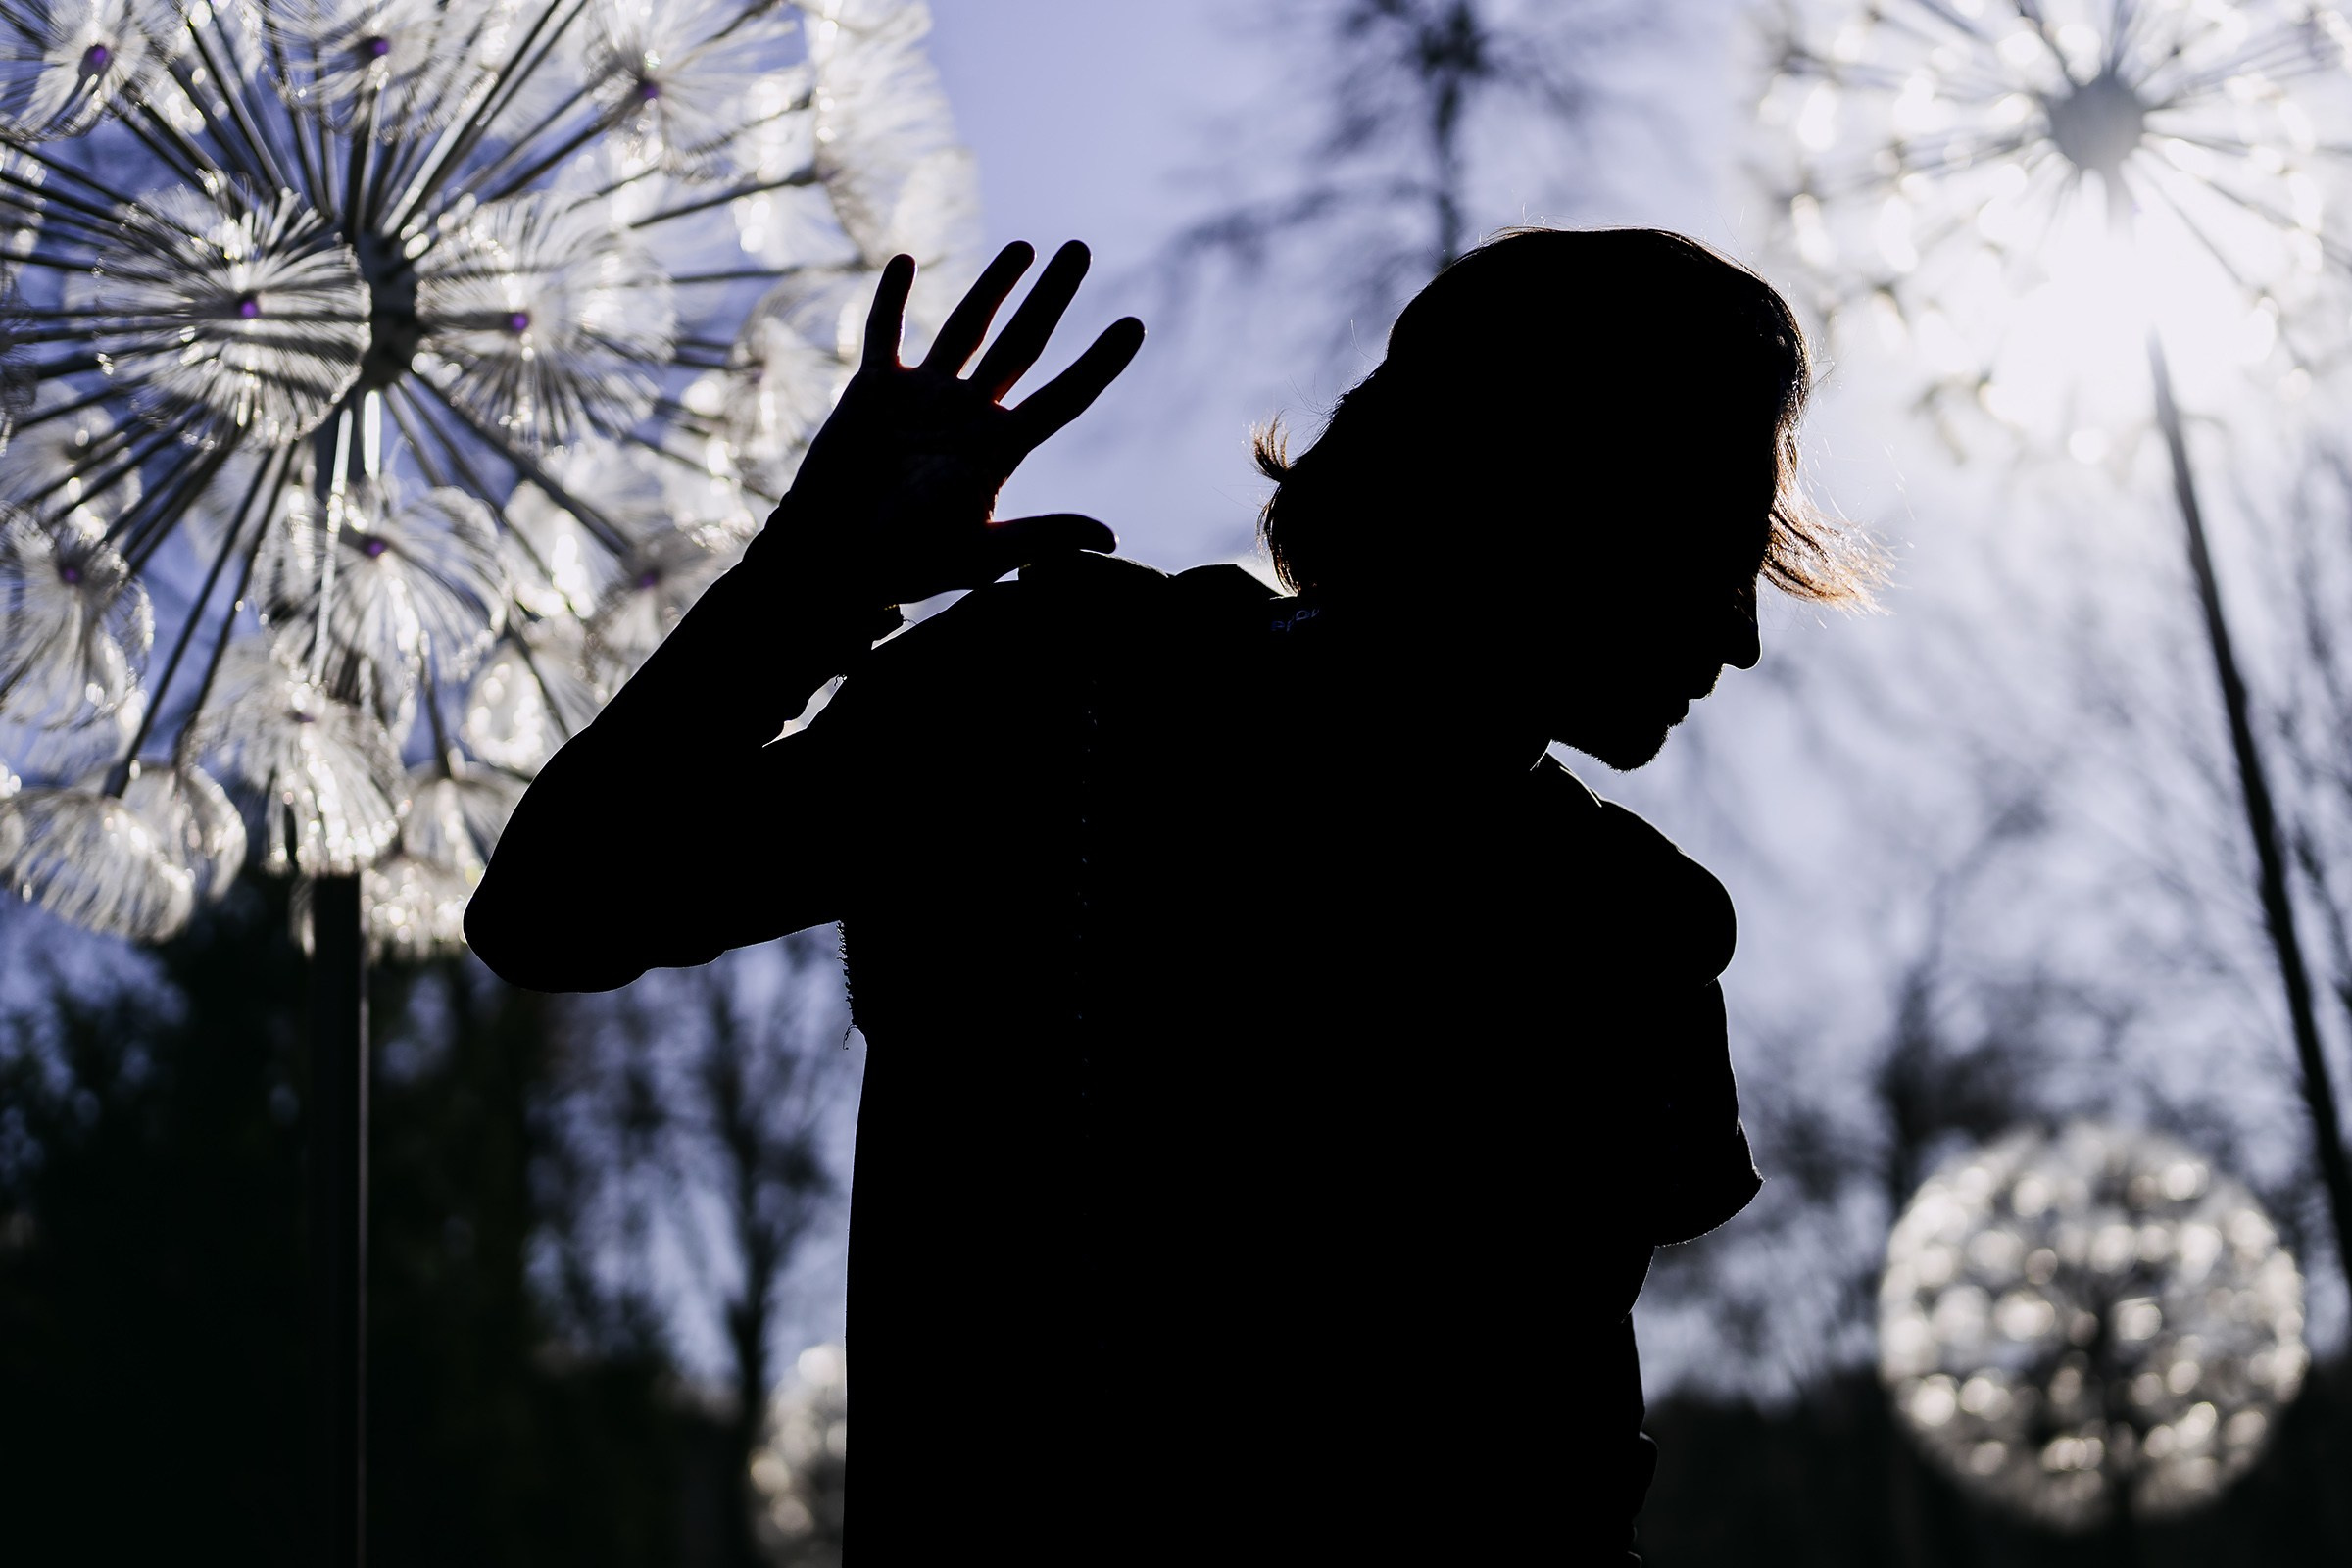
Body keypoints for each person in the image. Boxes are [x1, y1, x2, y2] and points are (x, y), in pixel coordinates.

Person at [467, 226, 1873, 1562]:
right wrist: (816, 575)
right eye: (1715, 541)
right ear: (1559, 489)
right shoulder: (1065, 687)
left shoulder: (1623, 927)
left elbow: (1554, 1478)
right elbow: (559, 904)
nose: (1743, 633)